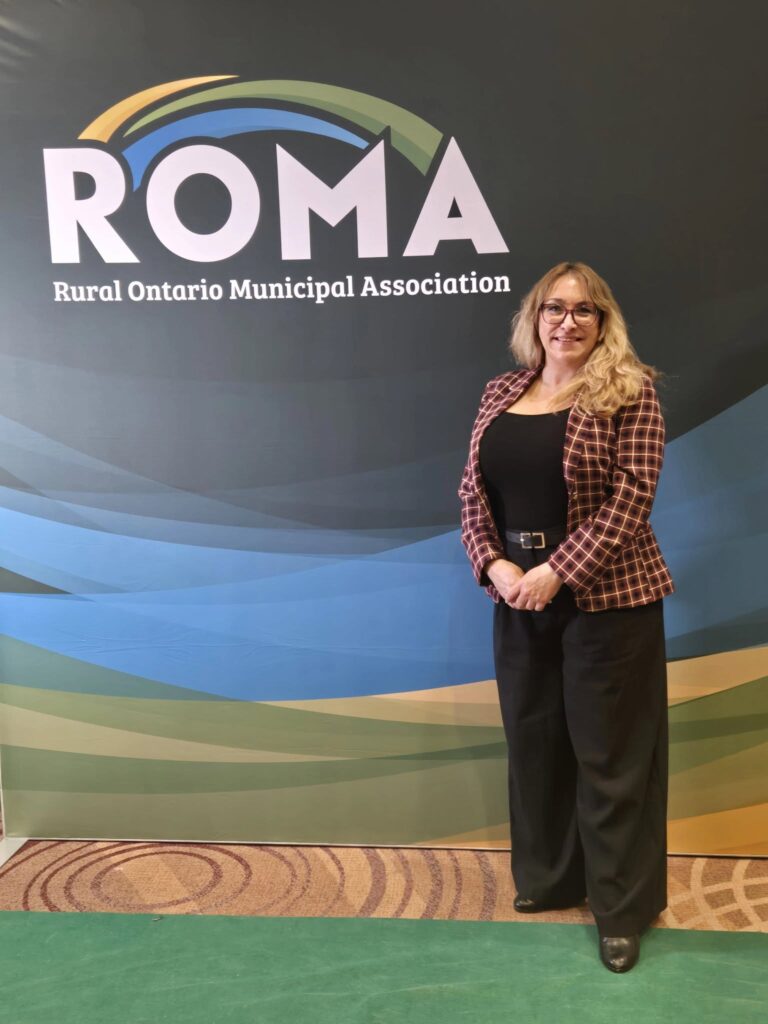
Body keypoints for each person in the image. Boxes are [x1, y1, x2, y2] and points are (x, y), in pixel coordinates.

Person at [459, 261, 674, 973]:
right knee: (536, 744)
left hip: (607, 601)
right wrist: (496, 566)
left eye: (585, 311)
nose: (568, 321)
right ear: (535, 318)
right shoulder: (500, 393)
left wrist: (557, 571)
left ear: (604, 322)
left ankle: (620, 908)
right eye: (554, 308)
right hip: (518, 597)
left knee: (610, 758)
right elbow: (471, 493)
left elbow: (632, 497)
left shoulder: (630, 393)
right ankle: (551, 879)